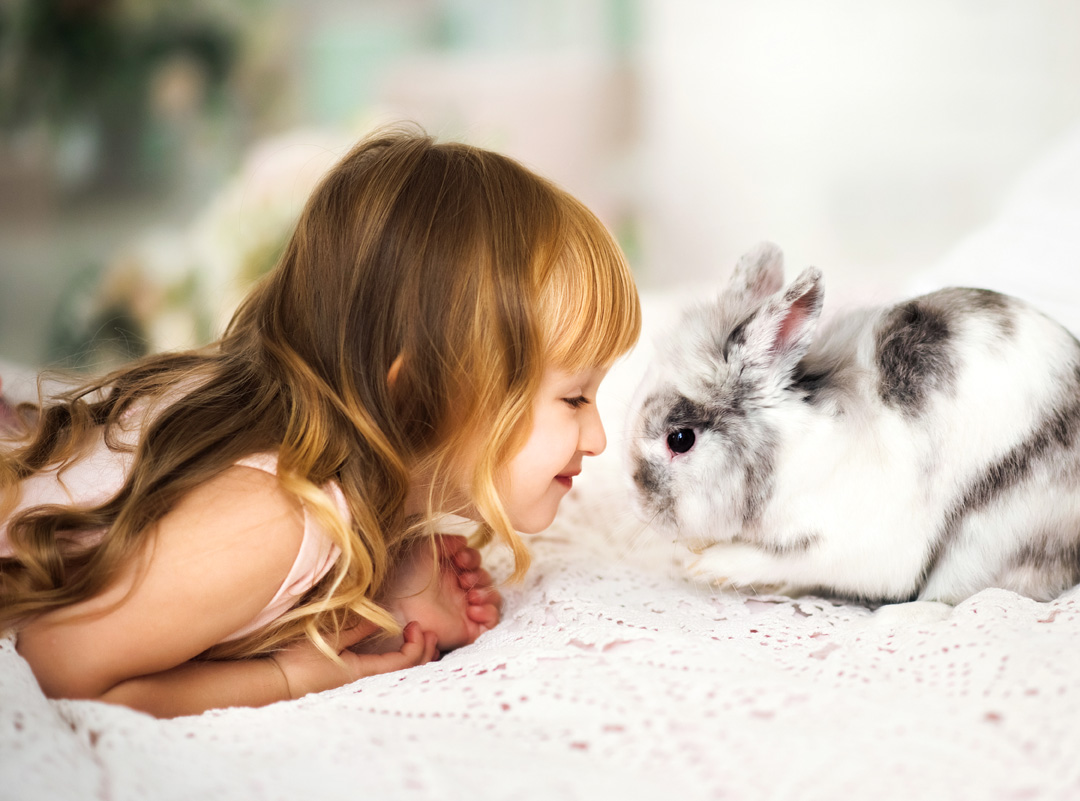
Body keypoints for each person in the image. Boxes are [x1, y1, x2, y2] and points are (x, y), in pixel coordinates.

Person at [0, 128, 642, 718]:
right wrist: (287, 678)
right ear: (423, 392)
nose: (599, 438)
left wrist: (398, 594)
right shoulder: (271, 518)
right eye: (574, 399)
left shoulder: (367, 495)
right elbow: (60, 665)